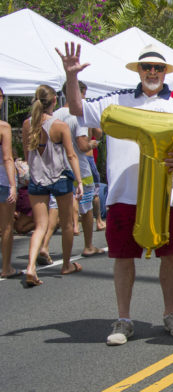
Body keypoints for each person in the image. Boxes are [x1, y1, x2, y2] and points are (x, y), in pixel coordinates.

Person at [57, 42, 173, 345]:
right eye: (147, 67)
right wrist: (71, 76)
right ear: (139, 70)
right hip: (124, 195)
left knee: (170, 255)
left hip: (169, 196)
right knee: (122, 257)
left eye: (158, 68)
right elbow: (78, 109)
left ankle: (170, 313)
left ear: (165, 72)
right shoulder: (116, 101)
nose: (153, 72)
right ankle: (124, 319)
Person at [22, 85, 84, 286]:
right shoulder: (59, 126)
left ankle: (30, 267)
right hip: (59, 177)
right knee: (66, 223)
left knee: (40, 226)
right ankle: (66, 264)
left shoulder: (27, 124)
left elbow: (26, 154)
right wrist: (80, 180)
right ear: (54, 101)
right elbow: (71, 155)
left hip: (37, 178)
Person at [41, 82, 104, 261]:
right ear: (80, 93)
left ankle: (45, 245)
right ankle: (88, 245)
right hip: (80, 169)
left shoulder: (55, 114)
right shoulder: (80, 115)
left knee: (55, 208)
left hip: (58, 169)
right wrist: (92, 143)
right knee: (87, 207)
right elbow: (83, 145)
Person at [0, 112, 19, 278]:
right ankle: (6, 268)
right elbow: (7, 158)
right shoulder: (3, 127)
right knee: (6, 226)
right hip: (2, 180)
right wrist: (13, 185)